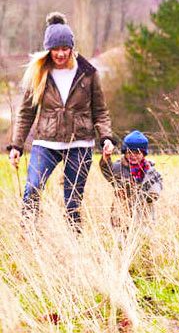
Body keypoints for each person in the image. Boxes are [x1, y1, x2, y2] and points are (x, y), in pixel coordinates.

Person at [8, 12, 116, 231]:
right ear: (48, 49)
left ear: (71, 48)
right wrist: (16, 145)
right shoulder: (39, 73)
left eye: (64, 48)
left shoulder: (88, 73)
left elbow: (100, 110)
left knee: (73, 200)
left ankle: (73, 242)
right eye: (55, 49)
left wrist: (106, 137)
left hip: (80, 145)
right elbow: (26, 112)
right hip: (46, 144)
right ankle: (27, 235)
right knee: (32, 188)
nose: (59, 53)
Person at [99, 130, 163, 233]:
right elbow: (107, 171)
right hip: (120, 214)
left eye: (137, 152)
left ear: (144, 154)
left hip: (144, 215)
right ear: (125, 152)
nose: (133, 155)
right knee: (120, 240)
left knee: (144, 238)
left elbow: (156, 187)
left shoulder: (150, 171)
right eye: (130, 152)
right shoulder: (117, 168)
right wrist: (106, 158)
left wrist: (150, 194)